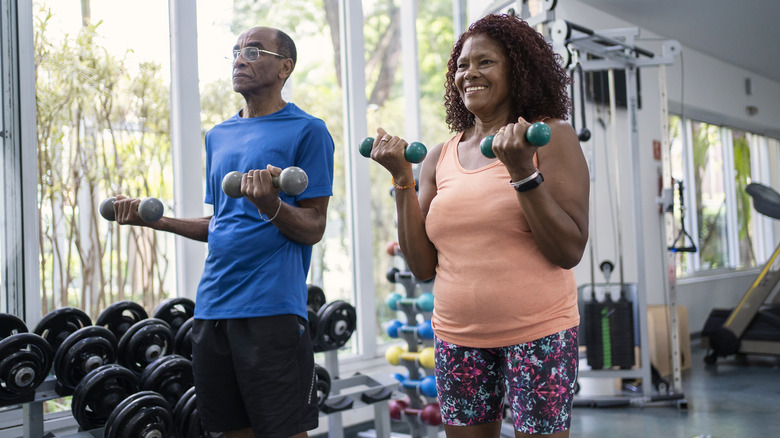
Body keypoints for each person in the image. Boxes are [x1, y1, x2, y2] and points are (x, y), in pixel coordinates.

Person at [368, 14, 589, 438]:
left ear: (517, 70)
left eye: (485, 62)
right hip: (457, 336)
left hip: (538, 334)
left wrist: (523, 172)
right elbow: (421, 267)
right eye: (462, 65)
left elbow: (569, 250)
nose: (469, 73)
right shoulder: (438, 156)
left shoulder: (550, 136)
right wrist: (402, 178)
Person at [113, 26, 334, 438]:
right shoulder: (218, 135)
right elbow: (222, 224)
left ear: (285, 66)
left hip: (271, 310)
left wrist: (270, 203)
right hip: (212, 308)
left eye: (253, 51)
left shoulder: (309, 131)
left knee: (283, 432)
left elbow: (313, 227)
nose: (239, 60)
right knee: (229, 431)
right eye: (235, 52)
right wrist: (155, 220)